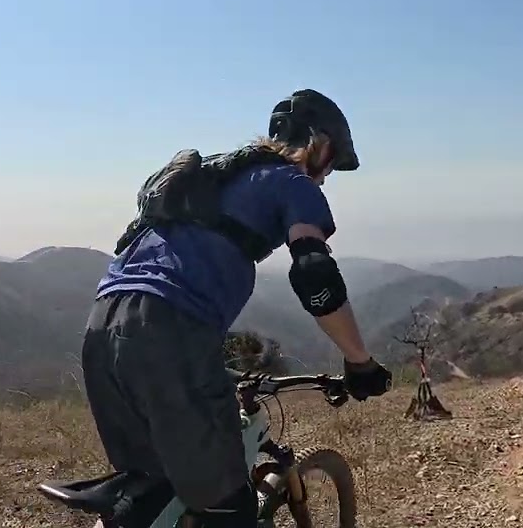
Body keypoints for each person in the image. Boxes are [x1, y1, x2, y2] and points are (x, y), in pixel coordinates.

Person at [80, 89, 393, 527]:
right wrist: (361, 363)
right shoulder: (292, 182)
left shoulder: (214, 176)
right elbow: (314, 276)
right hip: (170, 330)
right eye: (332, 163)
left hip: (102, 326)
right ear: (318, 144)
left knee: (156, 491)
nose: (326, 177)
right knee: (228, 512)